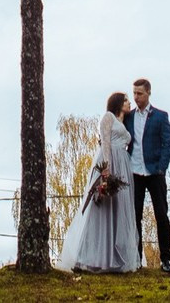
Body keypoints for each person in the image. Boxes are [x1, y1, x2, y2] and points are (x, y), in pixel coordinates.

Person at [57, 92, 141, 273]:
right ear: (118, 103)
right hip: (109, 161)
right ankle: (88, 257)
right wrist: (106, 168)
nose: (129, 103)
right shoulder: (108, 117)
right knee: (100, 210)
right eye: (126, 100)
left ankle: (117, 258)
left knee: (119, 209)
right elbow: (105, 142)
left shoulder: (124, 124)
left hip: (124, 165)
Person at [123, 76, 170, 273]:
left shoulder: (161, 116)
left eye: (140, 93)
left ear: (148, 93)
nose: (136, 97)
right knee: (135, 216)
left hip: (155, 173)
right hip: (134, 173)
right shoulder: (129, 117)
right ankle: (136, 258)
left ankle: (166, 259)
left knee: (161, 215)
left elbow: (168, 143)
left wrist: (162, 167)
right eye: (134, 93)